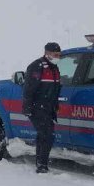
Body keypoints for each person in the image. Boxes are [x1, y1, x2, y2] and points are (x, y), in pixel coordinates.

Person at [22, 42, 63, 173]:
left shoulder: (55, 68)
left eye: (59, 55)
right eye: (55, 54)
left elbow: (55, 89)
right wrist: (28, 107)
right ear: (47, 53)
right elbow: (29, 89)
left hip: (48, 108)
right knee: (47, 134)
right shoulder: (37, 67)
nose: (58, 57)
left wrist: (55, 105)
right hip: (37, 107)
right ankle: (42, 165)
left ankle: (41, 162)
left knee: (44, 135)